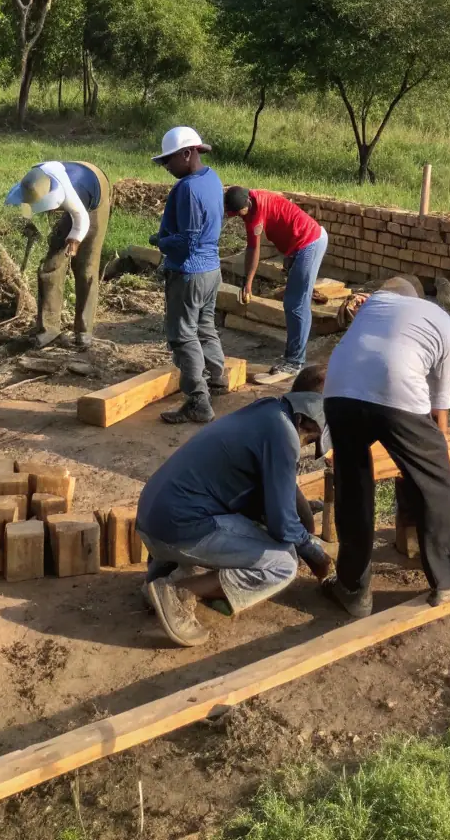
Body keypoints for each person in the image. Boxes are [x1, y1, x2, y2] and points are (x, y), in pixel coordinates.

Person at [320, 276, 450, 618]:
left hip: (337, 387)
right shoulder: (442, 323)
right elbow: (439, 407)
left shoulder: (376, 305)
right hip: (394, 383)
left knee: (353, 483)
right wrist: (430, 464)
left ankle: (352, 589)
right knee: (436, 483)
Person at [136, 376, 333, 647]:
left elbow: (273, 495)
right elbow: (283, 526)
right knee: (283, 563)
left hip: (153, 518)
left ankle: (161, 575)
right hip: (177, 528)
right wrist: (314, 553)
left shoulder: (266, 412)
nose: (307, 445)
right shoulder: (284, 435)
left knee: (247, 523)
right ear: (306, 423)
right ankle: (178, 593)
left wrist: (296, 516)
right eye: (311, 439)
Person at [150, 125, 228, 425]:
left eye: (168, 160)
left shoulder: (187, 189)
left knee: (183, 336)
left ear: (187, 153)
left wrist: (160, 242)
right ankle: (217, 379)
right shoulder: (211, 178)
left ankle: (198, 401)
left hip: (189, 272)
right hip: (211, 270)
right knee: (205, 326)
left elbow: (187, 241)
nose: (166, 167)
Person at [224, 186, 329, 386]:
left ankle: (295, 362)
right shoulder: (251, 198)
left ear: (247, 204)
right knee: (295, 302)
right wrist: (289, 255)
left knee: (296, 304)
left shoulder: (255, 214)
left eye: (239, 213)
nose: (238, 217)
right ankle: (293, 357)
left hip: (310, 242)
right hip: (302, 243)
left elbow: (253, 249)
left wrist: (247, 283)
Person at [5, 160, 110, 350]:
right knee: (51, 266)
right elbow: (27, 205)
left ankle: (84, 333)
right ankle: (48, 330)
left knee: (86, 267)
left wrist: (74, 239)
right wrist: (28, 223)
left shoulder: (74, 195)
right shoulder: (33, 183)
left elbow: (81, 220)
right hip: (69, 177)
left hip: (94, 190)